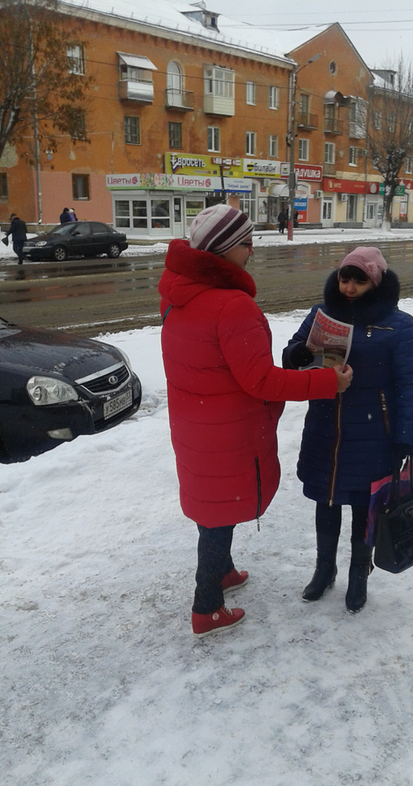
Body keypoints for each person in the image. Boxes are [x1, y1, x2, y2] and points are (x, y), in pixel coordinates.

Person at [158, 204, 354, 637]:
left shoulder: (178, 295)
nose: (251, 251)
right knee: (217, 514)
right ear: (223, 248)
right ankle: (207, 606)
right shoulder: (232, 306)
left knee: (214, 504)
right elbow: (262, 380)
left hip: (198, 426)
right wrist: (328, 382)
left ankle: (223, 570)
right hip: (228, 431)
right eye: (245, 243)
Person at [283, 247, 413, 613]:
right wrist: (301, 354)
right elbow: (292, 355)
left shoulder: (398, 325)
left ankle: (359, 573)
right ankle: (324, 568)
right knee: (326, 499)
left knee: (366, 506)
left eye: (358, 282)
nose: (349, 288)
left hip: (373, 433)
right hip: (325, 428)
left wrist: (407, 437)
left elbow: (411, 385)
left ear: (375, 282)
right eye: (344, 280)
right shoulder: (321, 314)